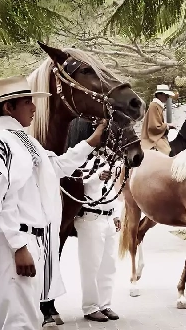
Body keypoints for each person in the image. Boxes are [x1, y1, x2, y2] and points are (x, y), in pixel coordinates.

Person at [0, 76, 106, 330]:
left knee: (25, 317)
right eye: (27, 102)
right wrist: (18, 246)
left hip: (30, 242)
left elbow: (56, 166)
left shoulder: (22, 141)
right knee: (19, 321)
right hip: (15, 244)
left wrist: (90, 142)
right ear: (9, 107)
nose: (34, 108)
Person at [72, 119, 122, 323]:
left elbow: (111, 189)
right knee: (91, 266)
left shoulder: (105, 159)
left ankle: (105, 304)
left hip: (108, 217)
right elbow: (77, 186)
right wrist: (96, 178)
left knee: (109, 265)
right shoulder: (79, 158)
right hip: (90, 217)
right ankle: (90, 306)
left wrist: (117, 213)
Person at [140, 84, 177, 154]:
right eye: (166, 95)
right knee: (167, 152)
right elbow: (154, 127)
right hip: (152, 138)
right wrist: (168, 126)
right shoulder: (154, 106)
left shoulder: (157, 106)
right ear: (160, 95)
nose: (167, 97)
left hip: (157, 135)